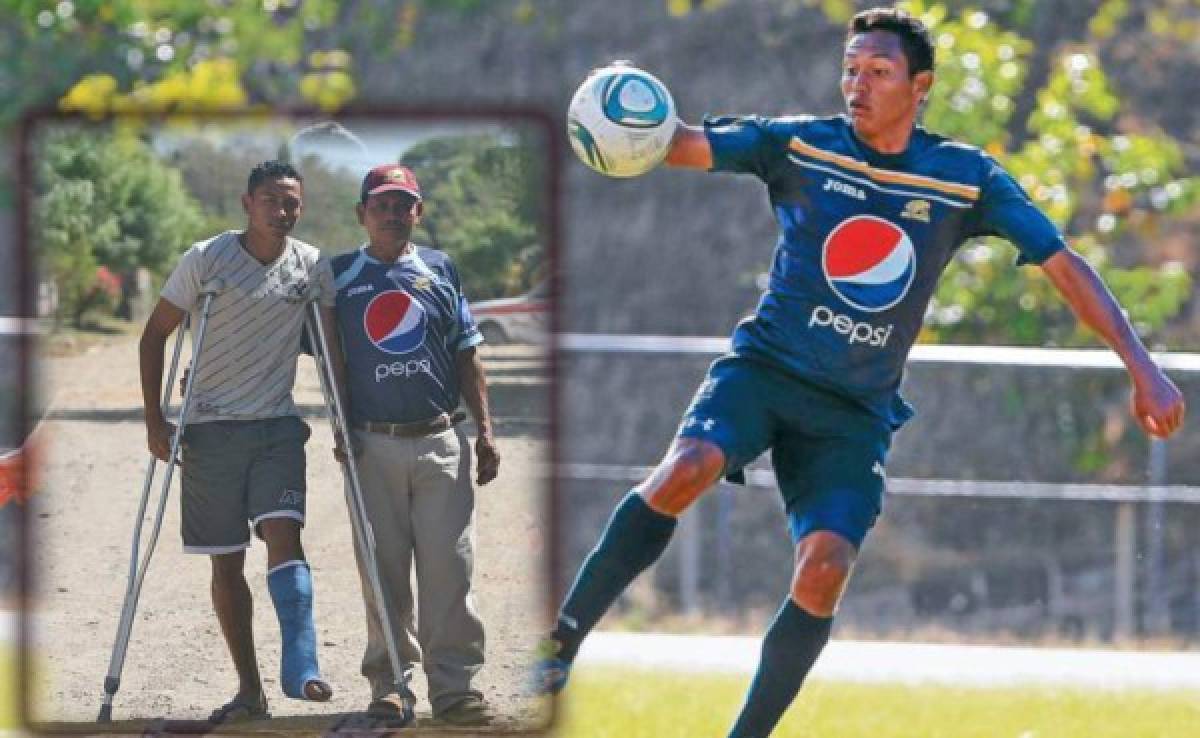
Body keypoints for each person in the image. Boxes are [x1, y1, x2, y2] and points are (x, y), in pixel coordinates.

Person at [536, 8, 1186, 737]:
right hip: (766, 370)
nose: (858, 85)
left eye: (878, 72)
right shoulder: (801, 145)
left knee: (825, 567)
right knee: (688, 464)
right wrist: (625, 122)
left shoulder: (966, 179)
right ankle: (559, 643)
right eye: (851, 70)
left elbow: (1066, 267)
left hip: (852, 412)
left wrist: (1143, 366)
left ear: (921, 86)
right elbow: (682, 145)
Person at [139, 160, 334, 724]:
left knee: (284, 535)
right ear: (247, 204)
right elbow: (155, 336)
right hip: (208, 429)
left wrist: (343, 423)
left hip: (276, 425)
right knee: (225, 565)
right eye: (272, 200)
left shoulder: (313, 266)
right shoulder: (206, 259)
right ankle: (250, 690)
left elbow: (330, 349)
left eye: (293, 202)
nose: (283, 211)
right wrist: (156, 420)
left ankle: (302, 664)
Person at [314, 164, 500, 726]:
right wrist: (340, 427)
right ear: (362, 214)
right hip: (372, 445)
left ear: (417, 211)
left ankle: (455, 689)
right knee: (383, 571)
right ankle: (391, 685)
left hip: (442, 439)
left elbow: (467, 353)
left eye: (404, 205)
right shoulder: (339, 275)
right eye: (382, 205)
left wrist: (487, 431)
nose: (393, 215)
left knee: (449, 569)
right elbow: (332, 363)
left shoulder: (441, 269)